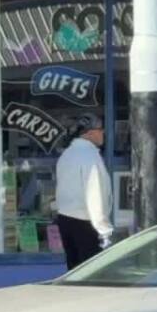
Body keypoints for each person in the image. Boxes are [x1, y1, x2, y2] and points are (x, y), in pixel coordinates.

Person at [54, 113, 113, 270]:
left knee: (74, 272)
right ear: (89, 133)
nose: (103, 133)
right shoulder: (90, 156)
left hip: (65, 219)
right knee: (92, 274)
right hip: (86, 223)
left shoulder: (66, 154)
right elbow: (95, 195)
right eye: (100, 129)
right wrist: (104, 230)